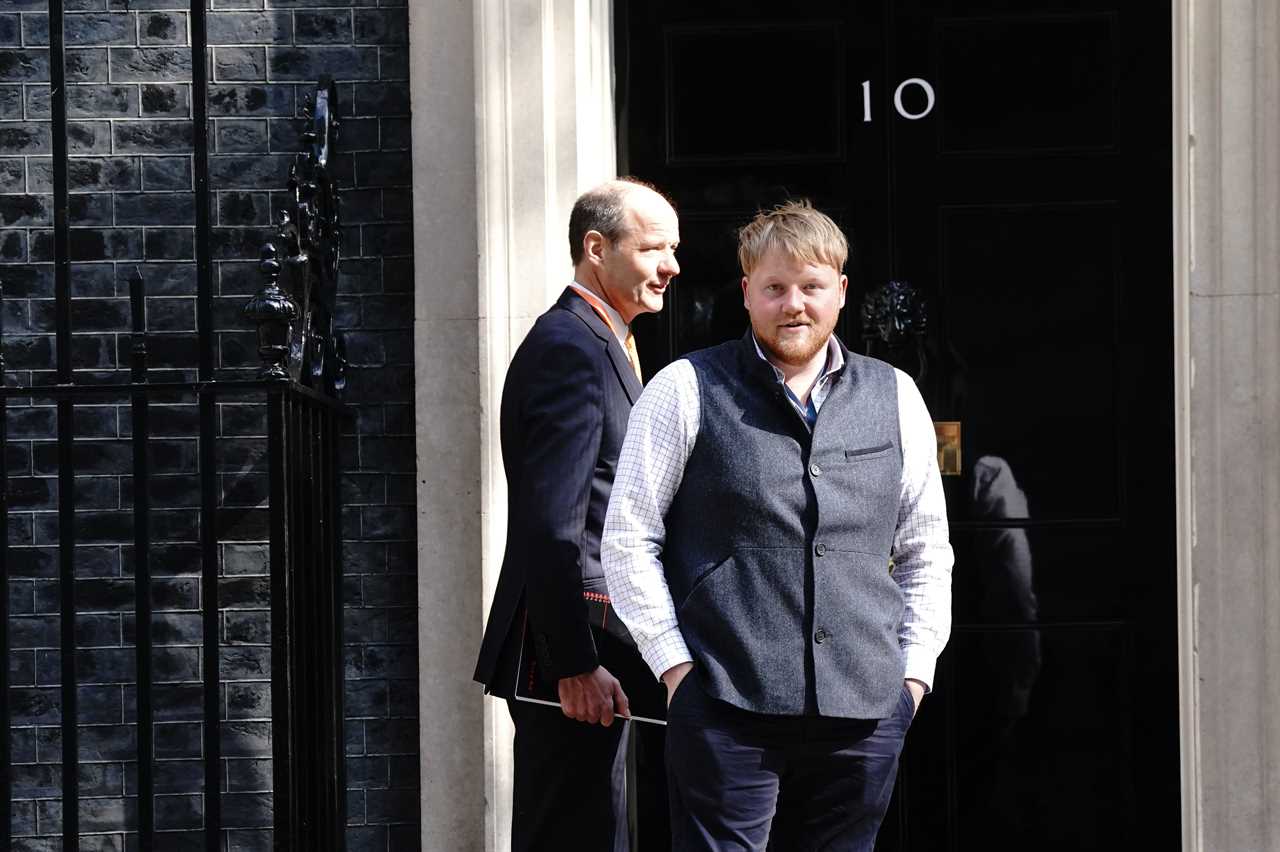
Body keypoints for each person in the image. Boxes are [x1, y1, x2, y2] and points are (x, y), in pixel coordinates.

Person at [601, 200, 952, 851]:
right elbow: (628, 539)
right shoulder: (685, 388)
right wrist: (676, 671)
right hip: (725, 702)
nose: (794, 304)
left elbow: (925, 547)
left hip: (866, 706)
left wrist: (913, 677)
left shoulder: (896, 394)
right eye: (775, 288)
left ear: (840, 292)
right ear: (747, 292)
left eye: (812, 287)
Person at [473, 178, 681, 851]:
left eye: (671, 248)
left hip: (592, 646)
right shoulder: (571, 348)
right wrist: (574, 663)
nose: (670, 265)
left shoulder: (602, 342)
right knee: (573, 833)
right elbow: (553, 524)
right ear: (597, 248)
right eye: (652, 248)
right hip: (569, 655)